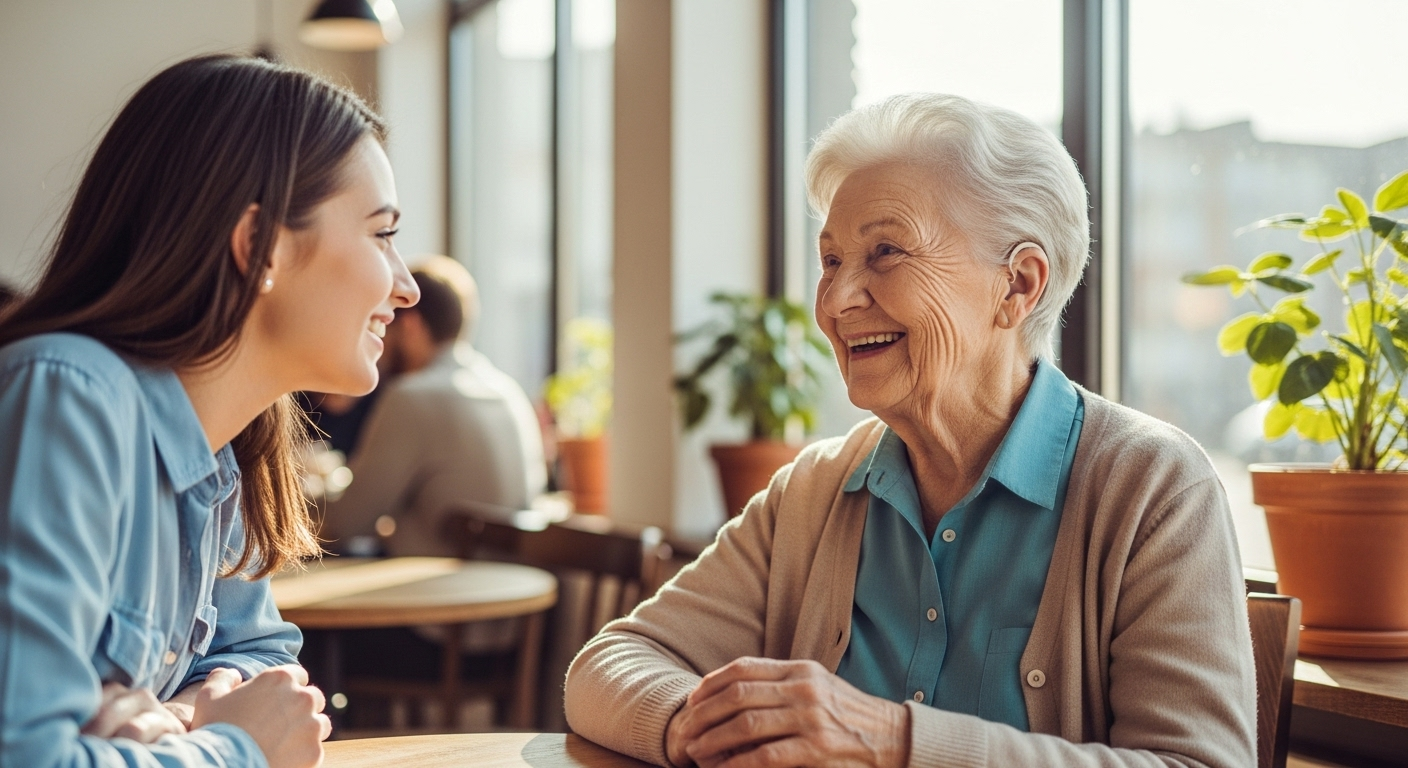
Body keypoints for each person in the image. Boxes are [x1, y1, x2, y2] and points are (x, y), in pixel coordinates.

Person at [564, 94, 1255, 768]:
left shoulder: (1153, 487)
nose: (835, 301)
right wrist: (702, 727)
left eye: (886, 251)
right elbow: (609, 665)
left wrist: (891, 742)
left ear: (1018, 286)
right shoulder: (815, 490)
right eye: (831, 260)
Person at [0, 54, 418, 768]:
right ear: (260, 247)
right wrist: (235, 747)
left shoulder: (222, 453)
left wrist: (171, 716)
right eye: (382, 234)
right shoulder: (69, 397)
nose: (406, 287)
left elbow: (263, 661)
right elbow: (30, 755)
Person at [320, 256, 548, 558]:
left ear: (412, 325)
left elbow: (346, 524)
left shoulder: (411, 396)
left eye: (387, 323)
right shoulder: (508, 390)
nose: (380, 341)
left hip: (438, 592)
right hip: (508, 589)